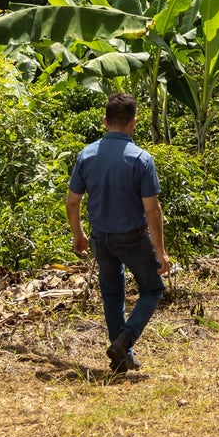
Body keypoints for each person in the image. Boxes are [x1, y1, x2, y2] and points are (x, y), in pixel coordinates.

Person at [67, 91, 172, 373]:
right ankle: (124, 341)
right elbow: (152, 209)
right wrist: (160, 251)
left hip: (101, 237)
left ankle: (121, 357)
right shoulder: (140, 159)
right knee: (152, 289)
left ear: (104, 121)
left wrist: (78, 234)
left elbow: (73, 201)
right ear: (133, 123)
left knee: (112, 295)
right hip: (133, 236)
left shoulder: (86, 155)